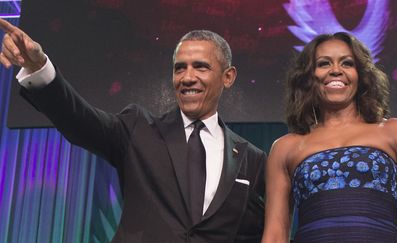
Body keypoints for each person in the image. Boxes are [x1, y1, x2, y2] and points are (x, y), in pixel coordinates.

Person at [0, 19, 266, 243]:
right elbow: (80, 120)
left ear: (228, 76)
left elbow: (260, 232)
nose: (187, 77)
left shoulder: (251, 159)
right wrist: (40, 69)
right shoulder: (139, 128)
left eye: (201, 66)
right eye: (179, 68)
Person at [261, 32, 397, 242]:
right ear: (308, 77)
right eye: (324, 64)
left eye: (347, 63)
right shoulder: (285, 147)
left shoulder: (396, 131)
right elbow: (275, 233)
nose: (336, 71)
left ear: (360, 75)